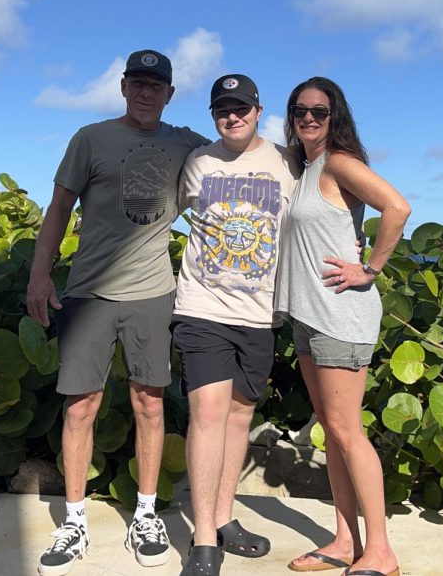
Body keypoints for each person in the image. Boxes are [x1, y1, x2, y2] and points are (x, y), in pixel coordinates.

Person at [26, 50, 208, 576]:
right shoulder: (90, 139)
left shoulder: (187, 144)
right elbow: (58, 209)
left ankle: (146, 514)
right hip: (88, 292)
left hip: (153, 293)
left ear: (170, 94)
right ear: (123, 87)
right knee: (80, 407)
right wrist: (40, 276)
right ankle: (75, 519)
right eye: (139, 83)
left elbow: (236, 152)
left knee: (151, 404)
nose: (147, 92)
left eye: (157, 85)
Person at [275, 76, 411, 576]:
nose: (309, 118)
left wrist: (370, 267)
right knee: (331, 432)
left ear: (336, 117)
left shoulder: (338, 162)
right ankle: (343, 541)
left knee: (347, 431)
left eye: (320, 111)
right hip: (309, 315)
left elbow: (397, 207)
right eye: (300, 111)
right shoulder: (306, 167)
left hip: (340, 314)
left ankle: (381, 551)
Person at [170, 73, 301, 576]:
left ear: (259, 110)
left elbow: (319, 211)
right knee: (206, 412)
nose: (233, 116)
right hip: (202, 307)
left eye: (241, 108)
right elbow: (163, 214)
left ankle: (224, 518)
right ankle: (203, 540)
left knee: (240, 417)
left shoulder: (288, 163)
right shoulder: (198, 162)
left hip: (260, 314)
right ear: (213, 116)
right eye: (223, 109)